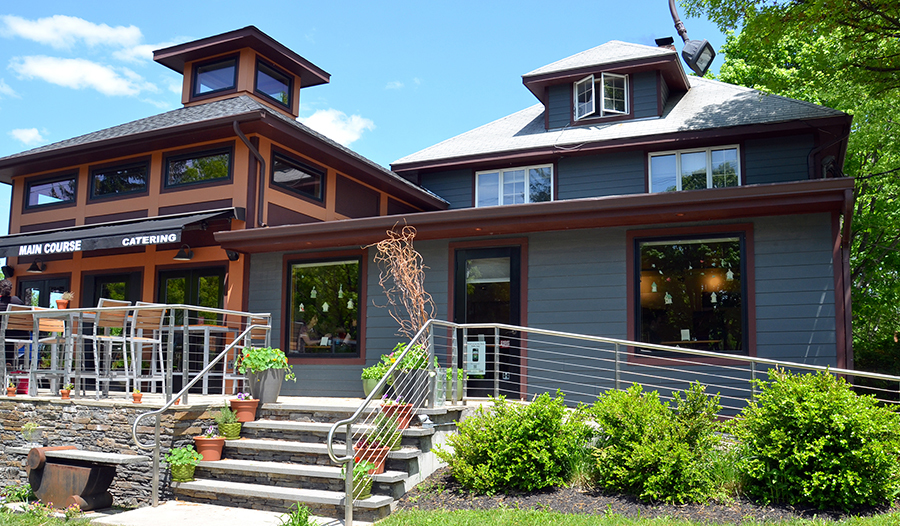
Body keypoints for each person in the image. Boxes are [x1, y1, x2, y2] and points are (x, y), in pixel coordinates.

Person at [0, 279, 25, 367]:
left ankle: (6, 362)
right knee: (8, 334)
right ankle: (8, 362)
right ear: (11, 289)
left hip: (3, 334)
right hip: (19, 335)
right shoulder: (17, 301)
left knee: (4, 333)